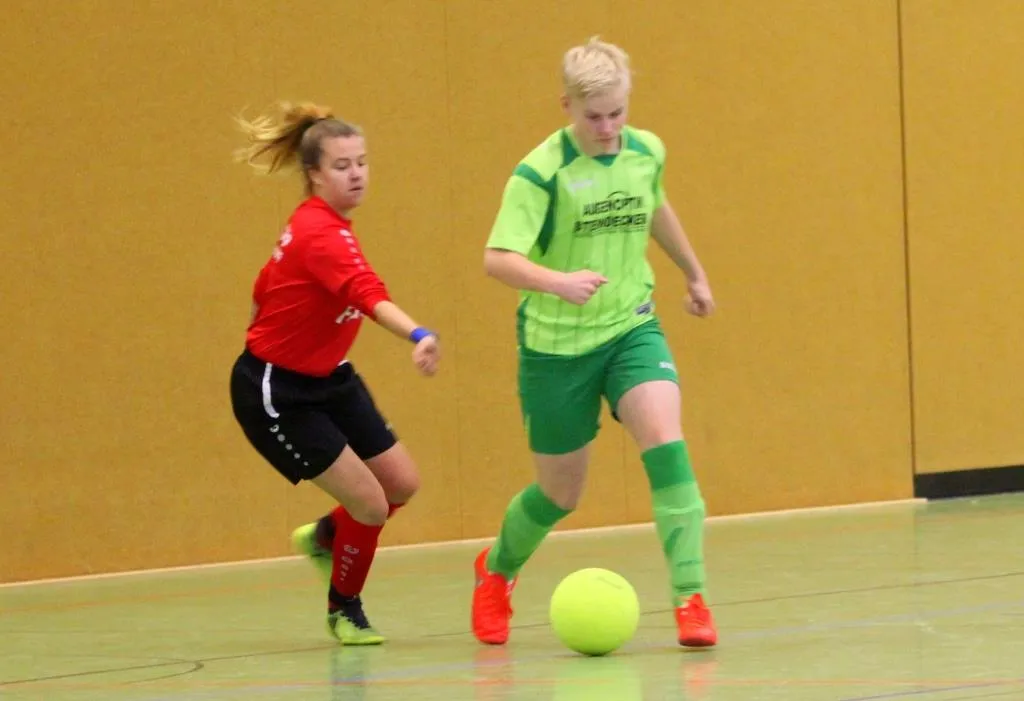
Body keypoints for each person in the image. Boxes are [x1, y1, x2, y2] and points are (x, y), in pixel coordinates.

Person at [471, 37, 718, 648]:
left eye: (617, 113)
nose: (608, 129)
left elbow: (653, 207)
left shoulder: (646, 151)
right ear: (567, 107)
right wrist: (557, 282)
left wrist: (693, 272)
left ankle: (690, 598)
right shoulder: (539, 173)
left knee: (666, 443)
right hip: (556, 348)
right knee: (561, 493)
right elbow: (497, 258)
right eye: (594, 117)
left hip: (631, 326)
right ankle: (496, 569)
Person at [229, 101, 440, 645]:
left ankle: (327, 537)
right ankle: (344, 608)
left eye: (362, 162)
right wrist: (418, 334)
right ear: (315, 174)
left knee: (401, 484)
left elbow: (263, 287)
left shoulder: (315, 225)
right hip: (279, 392)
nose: (356, 174)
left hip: (329, 377)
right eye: (342, 166)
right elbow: (367, 294)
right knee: (368, 503)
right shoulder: (321, 234)